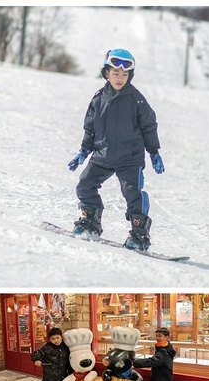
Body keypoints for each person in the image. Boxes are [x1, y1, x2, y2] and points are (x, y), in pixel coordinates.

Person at [68, 49, 163, 251]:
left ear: (130, 76)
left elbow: (149, 125)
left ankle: (139, 234)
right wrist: (84, 151)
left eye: (125, 75)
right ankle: (91, 222)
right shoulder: (98, 99)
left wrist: (154, 152)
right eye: (116, 73)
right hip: (102, 155)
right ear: (106, 73)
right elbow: (90, 128)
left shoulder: (137, 99)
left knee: (132, 192)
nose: (120, 78)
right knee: (85, 185)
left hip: (130, 158)